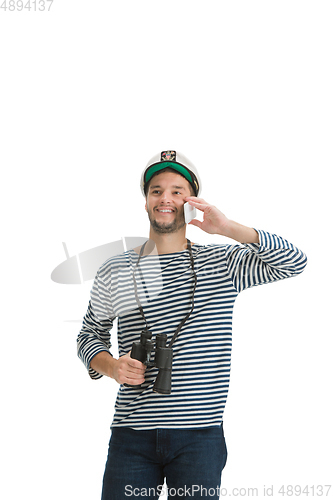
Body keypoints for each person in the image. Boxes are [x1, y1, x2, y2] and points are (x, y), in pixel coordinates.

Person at [77, 150, 307, 499]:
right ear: (146, 202)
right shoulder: (116, 269)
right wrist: (111, 367)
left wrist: (227, 228)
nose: (165, 198)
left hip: (200, 436)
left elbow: (294, 262)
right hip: (132, 434)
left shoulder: (223, 263)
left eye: (177, 190)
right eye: (156, 191)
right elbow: (88, 335)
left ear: (192, 201)